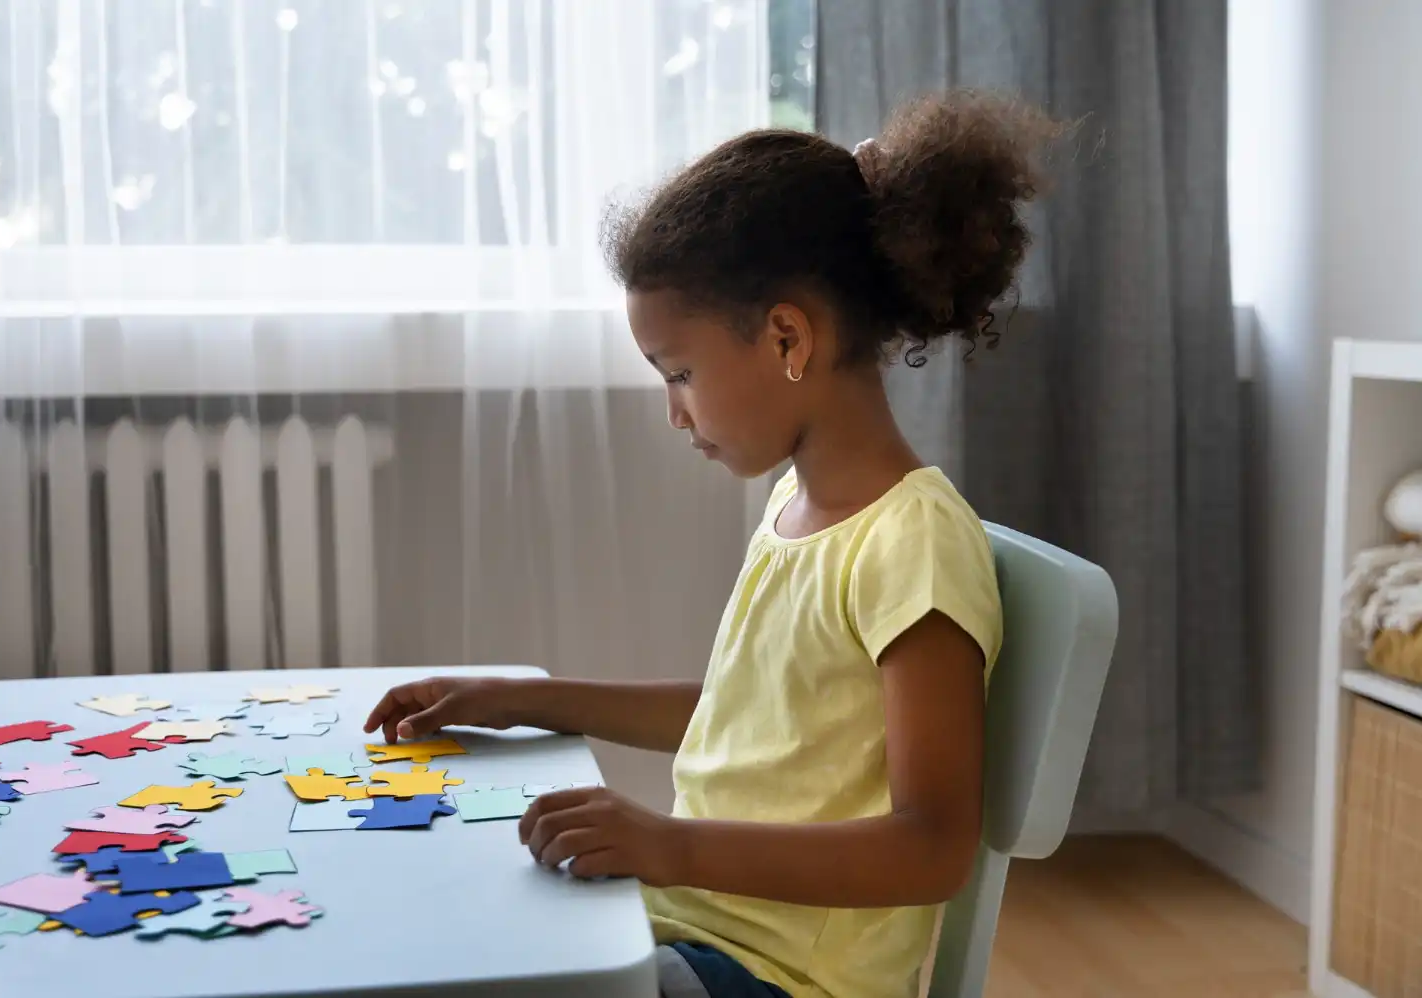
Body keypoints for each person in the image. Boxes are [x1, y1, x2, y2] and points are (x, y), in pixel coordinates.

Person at [365, 90, 1059, 998]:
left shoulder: (914, 544)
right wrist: (523, 699)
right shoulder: (795, 508)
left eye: (681, 373)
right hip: (690, 933)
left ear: (785, 337)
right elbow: (751, 719)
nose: (674, 411)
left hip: (778, 980)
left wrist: (671, 843)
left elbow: (931, 850)